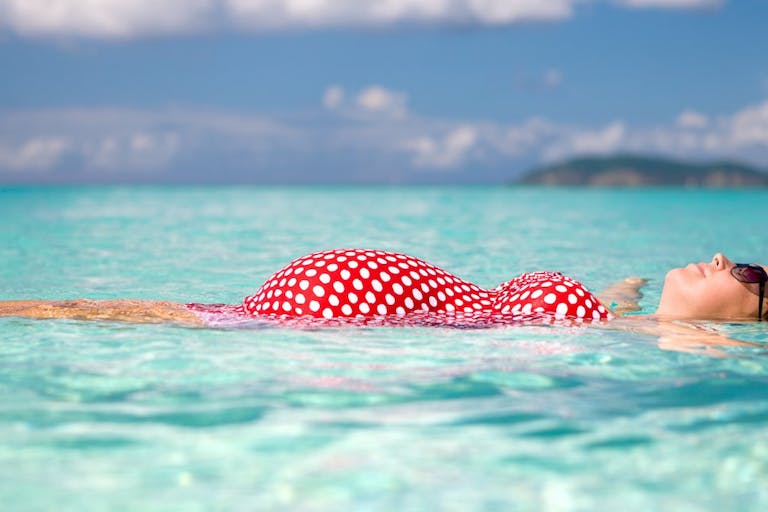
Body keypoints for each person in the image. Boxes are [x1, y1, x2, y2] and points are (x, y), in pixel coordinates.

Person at [0, 249, 765, 353]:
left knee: (113, 311)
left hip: (331, 308)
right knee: (126, 308)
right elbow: (599, 304)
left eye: (753, 275)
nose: (728, 260)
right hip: (327, 293)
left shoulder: (673, 343)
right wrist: (623, 288)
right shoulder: (616, 319)